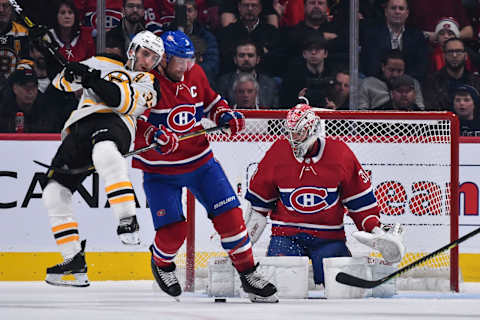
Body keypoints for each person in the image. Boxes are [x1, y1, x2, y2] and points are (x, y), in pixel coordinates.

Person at [132, 30, 278, 302]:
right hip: (160, 172)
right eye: (179, 61)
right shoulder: (145, 82)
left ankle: (248, 274)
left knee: (231, 218)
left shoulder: (194, 73)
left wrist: (225, 113)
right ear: (162, 59)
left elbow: (211, 101)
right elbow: (132, 123)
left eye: (189, 61)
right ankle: (161, 263)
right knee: (173, 232)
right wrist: (152, 135)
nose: (185, 67)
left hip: (201, 163)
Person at [42, 30, 163, 287]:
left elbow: (120, 100)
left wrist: (91, 80)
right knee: (53, 192)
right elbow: (60, 84)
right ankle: (73, 263)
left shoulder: (149, 82)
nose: (147, 61)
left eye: (153, 58)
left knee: (105, 151)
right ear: (132, 50)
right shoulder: (98, 62)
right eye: (145, 53)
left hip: (114, 122)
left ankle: (127, 219)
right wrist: (64, 65)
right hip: (78, 127)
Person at [244, 103, 406, 286]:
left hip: (328, 239)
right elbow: (258, 207)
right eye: (289, 133)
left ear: (312, 130)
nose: (293, 139)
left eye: (298, 133)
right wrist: (242, 244)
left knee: (339, 288)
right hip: (286, 236)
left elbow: (360, 206)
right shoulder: (277, 153)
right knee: (285, 288)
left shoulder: (340, 155)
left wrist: (376, 230)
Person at [360, 0, 429, 82]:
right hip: (377, 84)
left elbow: (420, 68)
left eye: (401, 8)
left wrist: (402, 82)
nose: (397, 11)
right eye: (393, 8)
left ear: (407, 13)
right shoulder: (371, 34)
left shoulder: (416, 36)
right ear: (386, 12)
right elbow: (370, 65)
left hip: (407, 85)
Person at [216, 39, 279, 109]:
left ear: (258, 59)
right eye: (241, 55)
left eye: (250, 55)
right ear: (235, 59)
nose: (246, 59)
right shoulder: (223, 83)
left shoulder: (270, 83)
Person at [423, 38, 480, 111]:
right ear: (444, 56)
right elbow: (432, 108)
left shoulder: (476, 81)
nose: (454, 55)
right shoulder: (432, 81)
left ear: (465, 55)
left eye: (458, 51)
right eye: (450, 51)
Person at [358, 49, 424, 110]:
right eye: (391, 70)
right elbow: (361, 111)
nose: (395, 75)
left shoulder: (413, 83)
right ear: (383, 67)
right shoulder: (368, 83)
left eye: (399, 71)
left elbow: (421, 110)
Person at [0, 67, 56, 133]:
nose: (30, 92)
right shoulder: (3, 108)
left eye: (33, 87)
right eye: (25, 87)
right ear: (14, 88)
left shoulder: (47, 108)